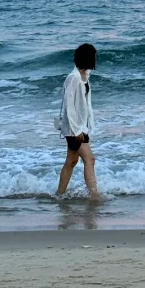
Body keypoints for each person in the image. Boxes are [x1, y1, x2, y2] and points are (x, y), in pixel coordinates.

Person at [56, 43, 100, 199]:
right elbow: (69, 106)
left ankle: (59, 194)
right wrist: (77, 130)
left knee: (72, 161)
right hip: (75, 129)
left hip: (81, 127)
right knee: (90, 159)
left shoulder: (84, 77)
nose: (95, 59)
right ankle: (94, 195)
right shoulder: (73, 78)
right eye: (93, 56)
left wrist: (87, 127)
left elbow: (85, 105)